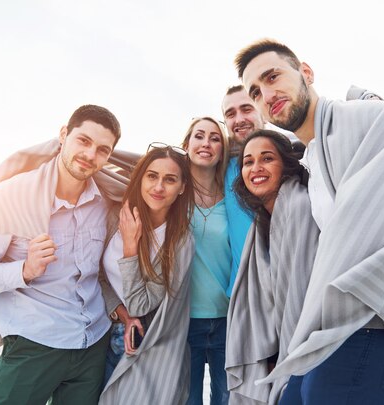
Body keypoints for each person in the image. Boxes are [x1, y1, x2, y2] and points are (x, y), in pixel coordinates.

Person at [235, 39, 384, 404]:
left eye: (273, 77)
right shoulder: (313, 160)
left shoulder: (357, 119)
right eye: (256, 92)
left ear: (305, 73)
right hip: (332, 331)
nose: (267, 94)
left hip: (375, 329)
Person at [0, 105, 122, 405]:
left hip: (92, 343)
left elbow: (102, 272)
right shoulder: (11, 196)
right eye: (83, 141)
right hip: (35, 344)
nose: (90, 155)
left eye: (102, 150)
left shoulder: (105, 200)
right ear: (63, 134)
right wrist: (24, 270)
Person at [226, 130, 318, 404]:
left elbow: (300, 294)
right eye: (248, 162)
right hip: (279, 354)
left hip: (306, 352)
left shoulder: (299, 206)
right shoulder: (261, 222)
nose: (256, 168)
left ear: (287, 164)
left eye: (267, 159)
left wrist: (284, 358)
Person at [99, 143, 195, 404]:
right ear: (140, 178)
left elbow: (140, 305)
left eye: (170, 179)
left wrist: (131, 248)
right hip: (99, 335)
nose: (159, 187)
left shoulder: (180, 240)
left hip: (143, 344)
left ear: (182, 187)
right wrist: (120, 313)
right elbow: (98, 277)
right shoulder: (113, 216)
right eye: (152, 176)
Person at [182, 117, 231, 405]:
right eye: (199, 136)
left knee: (227, 399)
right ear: (186, 144)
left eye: (215, 138)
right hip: (184, 321)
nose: (206, 143)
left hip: (228, 319)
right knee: (187, 400)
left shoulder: (235, 198)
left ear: (223, 150)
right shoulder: (173, 191)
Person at [221, 85, 265, 297]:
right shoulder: (219, 166)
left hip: (293, 293)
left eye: (247, 109)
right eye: (230, 114)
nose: (239, 119)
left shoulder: (296, 155)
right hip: (242, 295)